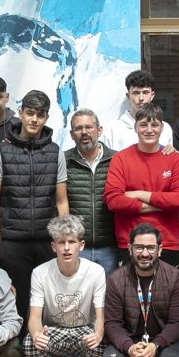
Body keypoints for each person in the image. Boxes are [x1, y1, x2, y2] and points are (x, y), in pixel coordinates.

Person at [0, 89, 69, 322]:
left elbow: (61, 201)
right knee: (16, 303)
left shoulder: (55, 153)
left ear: (46, 118)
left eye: (39, 115)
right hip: (11, 243)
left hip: (46, 241)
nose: (34, 119)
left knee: (49, 302)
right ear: (20, 113)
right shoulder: (1, 152)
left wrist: (63, 240)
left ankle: (45, 352)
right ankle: (19, 355)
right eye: (29, 113)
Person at [102, 223, 179, 357]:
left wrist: (155, 345)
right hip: (131, 342)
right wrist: (129, 347)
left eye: (150, 247)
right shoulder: (116, 279)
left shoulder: (175, 278)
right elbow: (112, 324)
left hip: (164, 343)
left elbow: (176, 323)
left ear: (160, 250)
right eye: (139, 247)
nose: (144, 253)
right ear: (130, 249)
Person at [24, 215, 107, 357]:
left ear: (82, 245)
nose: (67, 248)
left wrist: (98, 334)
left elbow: (101, 316)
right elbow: (34, 316)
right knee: (30, 342)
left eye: (72, 242)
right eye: (61, 242)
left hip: (83, 330)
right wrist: (37, 334)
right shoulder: (40, 272)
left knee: (102, 338)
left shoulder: (96, 272)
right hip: (55, 330)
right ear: (54, 247)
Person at [104, 102, 179, 267]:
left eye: (154, 125)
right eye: (143, 125)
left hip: (166, 241)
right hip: (129, 241)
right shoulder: (120, 159)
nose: (149, 130)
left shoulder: (175, 160)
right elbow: (113, 200)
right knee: (129, 293)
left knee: (165, 293)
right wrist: (162, 205)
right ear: (135, 127)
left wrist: (137, 194)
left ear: (162, 128)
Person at [65, 109, 118, 274]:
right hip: (77, 248)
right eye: (78, 128)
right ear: (72, 134)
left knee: (109, 299)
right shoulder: (63, 161)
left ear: (99, 130)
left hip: (110, 248)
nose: (84, 132)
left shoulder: (117, 160)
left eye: (89, 127)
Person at [106, 69, 174, 151]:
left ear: (152, 95)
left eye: (145, 92)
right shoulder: (113, 130)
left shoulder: (165, 128)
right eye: (136, 93)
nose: (141, 98)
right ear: (128, 96)